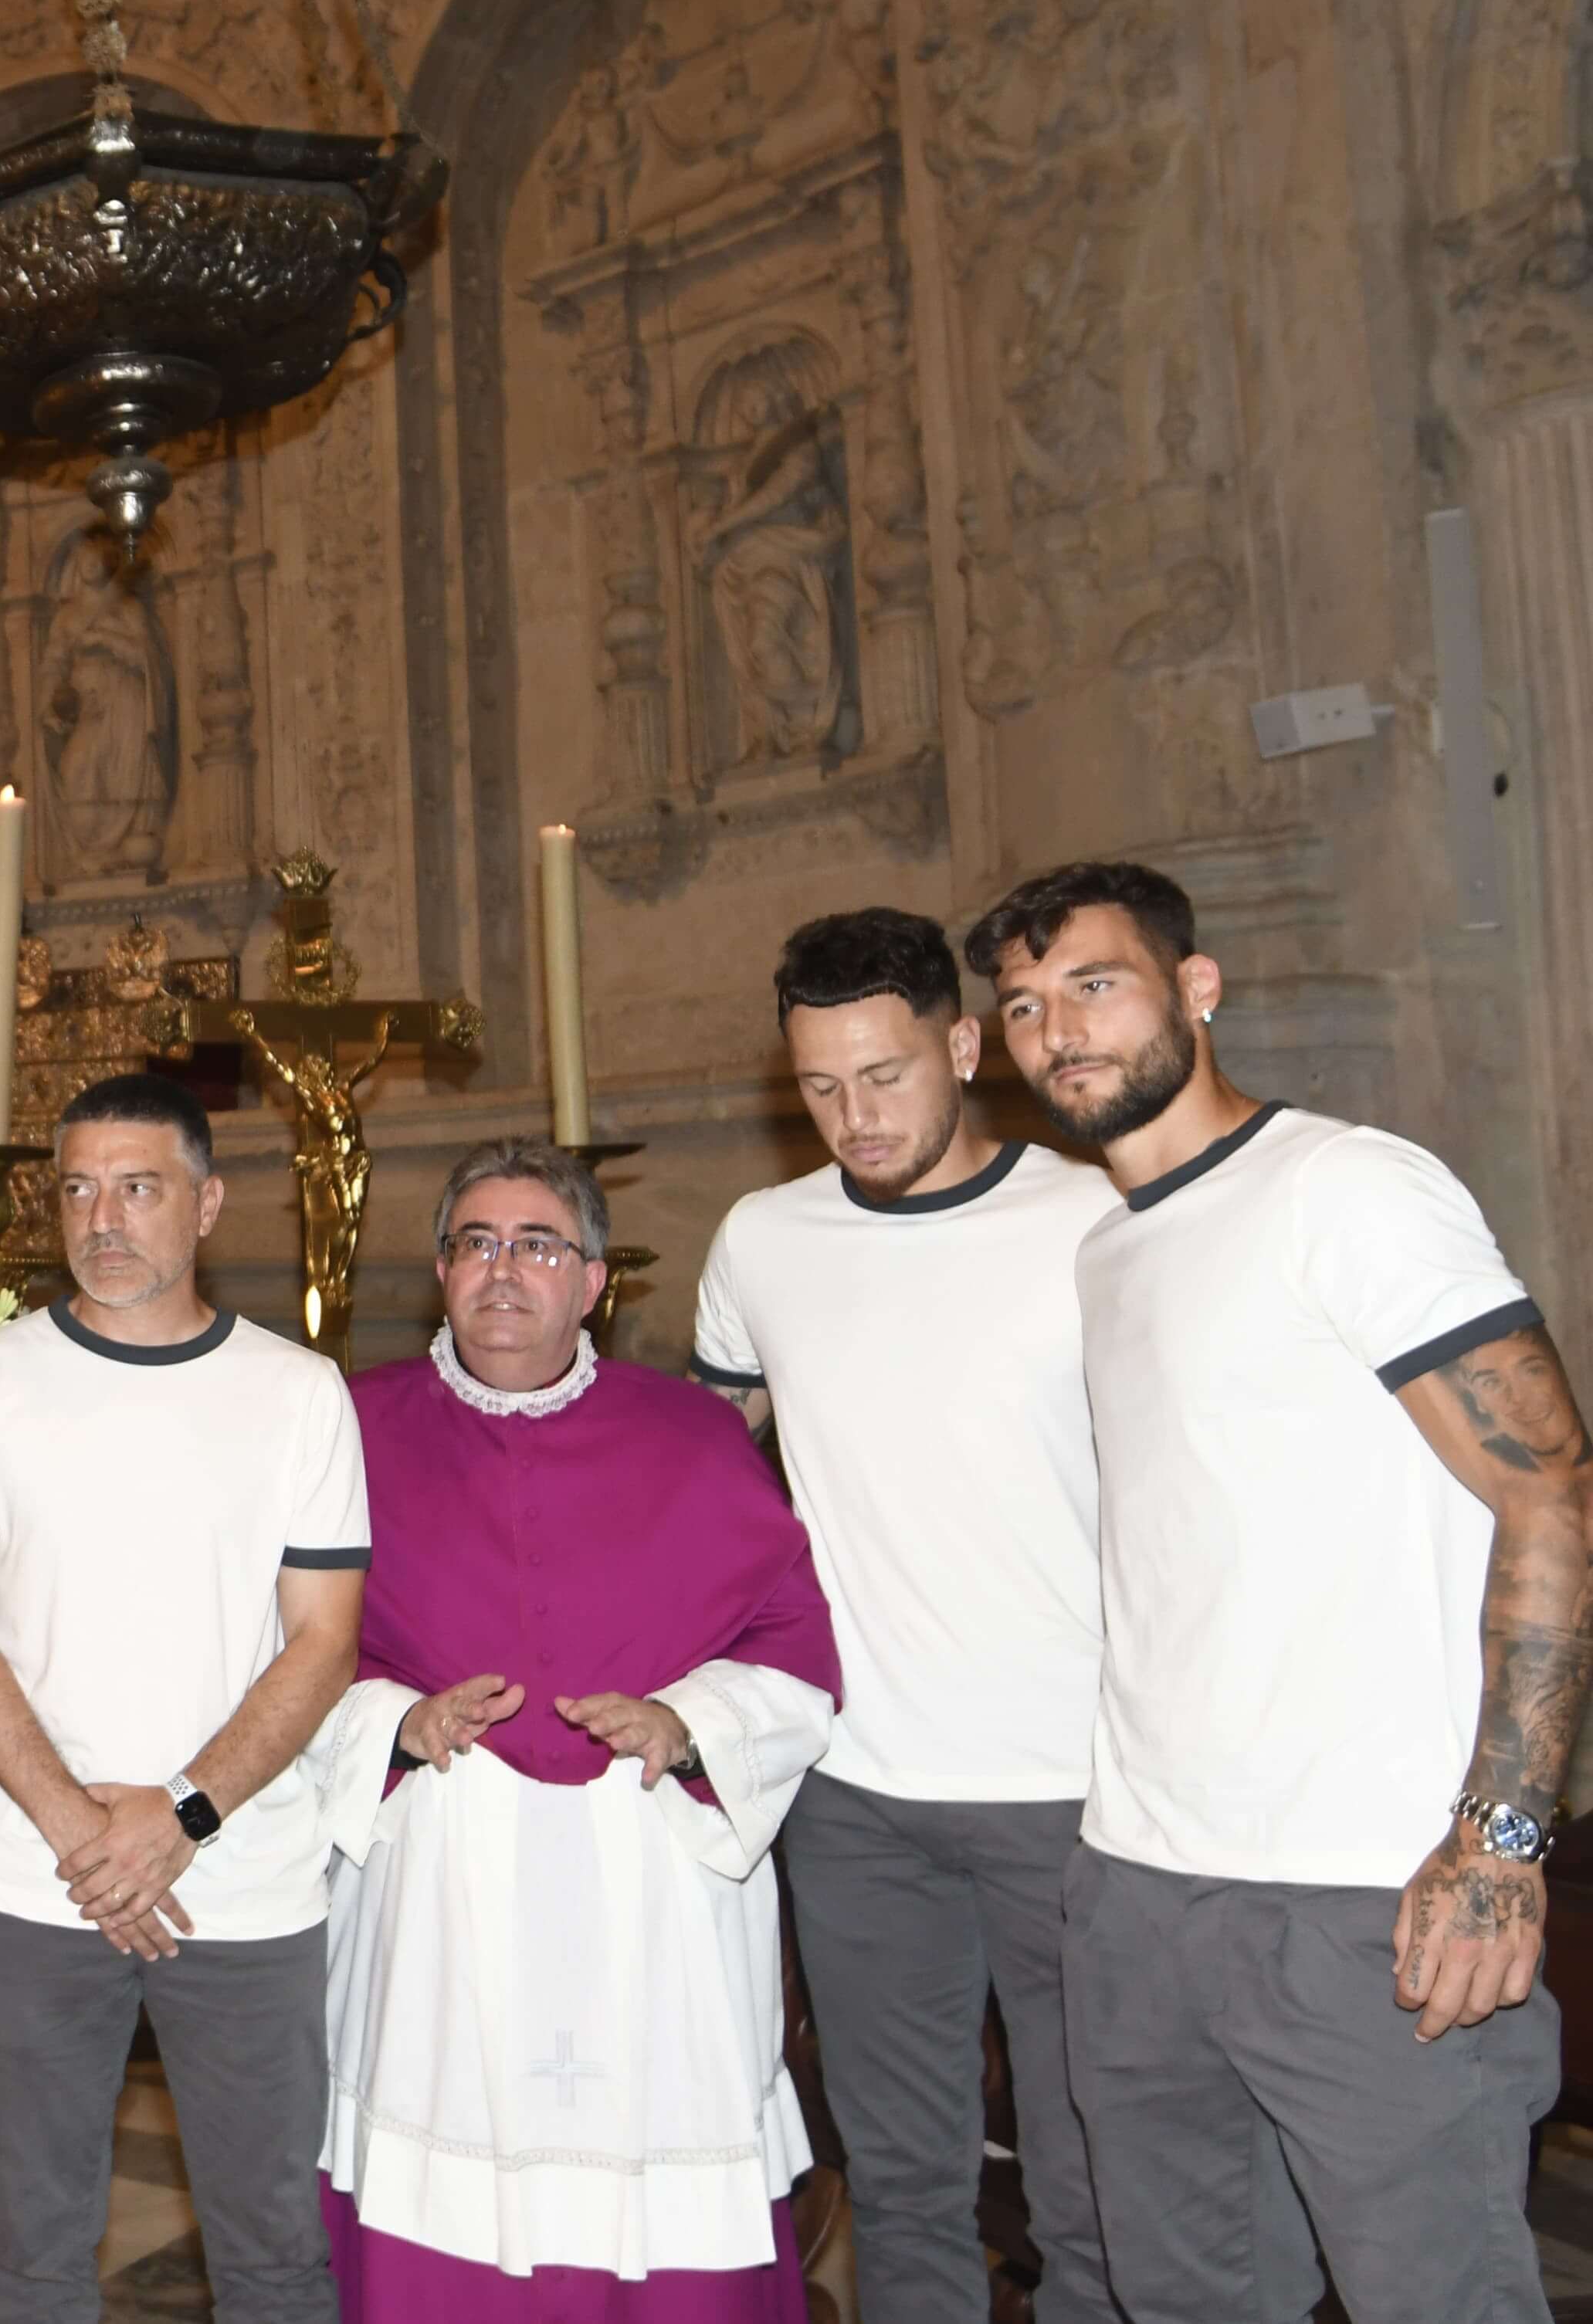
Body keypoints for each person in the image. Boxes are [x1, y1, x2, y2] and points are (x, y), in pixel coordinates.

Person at [971, 859, 1589, 2324]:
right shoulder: (1110, 1252)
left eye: (1095, 985)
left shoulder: (1344, 1187)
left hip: (1363, 1898)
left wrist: (1502, 1838)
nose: (1057, 1030)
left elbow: (1551, 1484)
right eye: (1022, 1004)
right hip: (1139, 1886)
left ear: (1196, 988)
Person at [314, 1139, 842, 2321]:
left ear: (594, 1280)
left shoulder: (695, 1437)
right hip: (441, 1885)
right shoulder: (349, 1431)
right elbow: (279, 1656)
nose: (505, 1270)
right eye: (477, 1243)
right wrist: (399, 1723)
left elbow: (796, 1655)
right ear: (440, 1269)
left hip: (652, 1894)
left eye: (538, 1244)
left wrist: (684, 1722)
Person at [687, 908, 1123, 2323]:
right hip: (858, 1793)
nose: (853, 1117)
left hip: (1076, 1787)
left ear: (963, 1042)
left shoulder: (1090, 1219)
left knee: (1095, 2188)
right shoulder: (763, 1238)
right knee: (902, 2182)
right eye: (817, 1087)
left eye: (883, 1075)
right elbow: (702, 1483)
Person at [0, 1070, 368, 2324]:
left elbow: (324, 1644)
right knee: (39, 2245)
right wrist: (78, 1830)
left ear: (209, 1202)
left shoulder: (297, 1396)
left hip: (246, 1871)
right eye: (78, 1189)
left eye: (139, 1186)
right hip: (31, 1876)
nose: (103, 1217)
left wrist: (178, 1819)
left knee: (273, 2246)